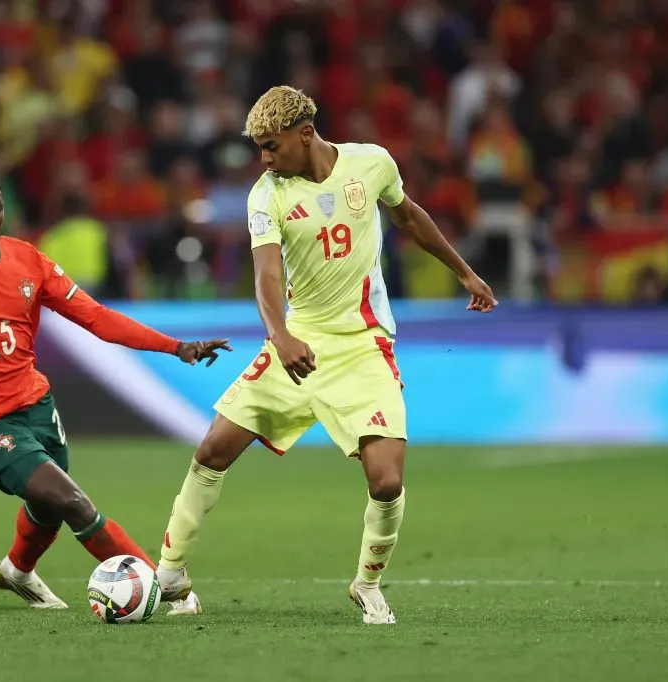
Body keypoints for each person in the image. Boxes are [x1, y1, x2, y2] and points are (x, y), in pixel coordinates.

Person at [155, 86, 497, 624]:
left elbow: (409, 217)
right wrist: (280, 337)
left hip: (364, 346)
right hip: (298, 342)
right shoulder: (265, 195)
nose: (264, 160)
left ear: (306, 134)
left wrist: (465, 273)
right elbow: (267, 277)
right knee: (212, 450)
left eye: (272, 147)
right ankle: (170, 573)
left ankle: (368, 584)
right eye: (259, 149)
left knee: (387, 481)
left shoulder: (372, 163)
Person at [0, 167, 229, 609]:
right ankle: (161, 588)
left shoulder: (28, 261)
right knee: (73, 502)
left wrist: (177, 346)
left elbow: (97, 318)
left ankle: (17, 569)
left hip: (37, 405)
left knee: (48, 506)